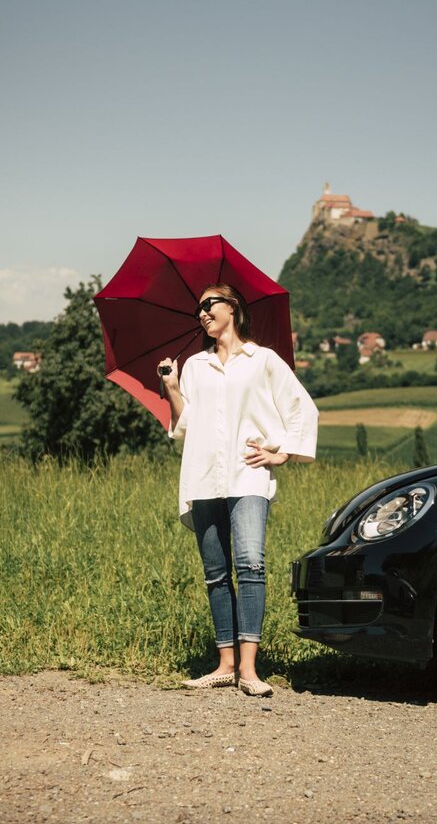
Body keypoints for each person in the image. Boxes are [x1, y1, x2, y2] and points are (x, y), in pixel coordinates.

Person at [158, 284, 318, 697]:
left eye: (209, 304)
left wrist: (281, 454)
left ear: (234, 308)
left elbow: (302, 408)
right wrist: (173, 388)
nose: (202, 313)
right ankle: (225, 665)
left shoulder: (263, 360)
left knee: (250, 564)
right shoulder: (194, 365)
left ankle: (249, 669)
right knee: (215, 574)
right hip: (205, 474)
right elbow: (185, 425)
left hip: (247, 475)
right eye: (198, 309)